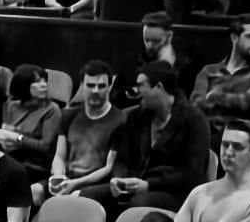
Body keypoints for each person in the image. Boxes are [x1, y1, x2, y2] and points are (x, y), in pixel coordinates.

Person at [82, 62, 209, 212]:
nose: (136, 91)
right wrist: (118, 179)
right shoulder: (137, 116)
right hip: (136, 186)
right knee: (88, 196)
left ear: (159, 87)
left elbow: (192, 173)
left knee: (139, 202)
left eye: (141, 85)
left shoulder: (194, 121)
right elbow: (123, 159)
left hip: (176, 193)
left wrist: (149, 185)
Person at [49, 61, 124, 199]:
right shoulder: (68, 115)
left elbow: (108, 168)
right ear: (82, 86)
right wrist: (59, 177)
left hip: (94, 184)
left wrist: (74, 184)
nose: (95, 90)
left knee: (73, 198)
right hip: (68, 178)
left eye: (101, 86)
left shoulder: (120, 120)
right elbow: (59, 155)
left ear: (110, 87)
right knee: (33, 191)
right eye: (90, 85)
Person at [191, 19, 250, 140]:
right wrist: (229, 102)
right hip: (205, 130)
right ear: (234, 38)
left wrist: (213, 96)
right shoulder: (209, 70)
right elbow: (196, 102)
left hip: (237, 133)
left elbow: (247, 102)